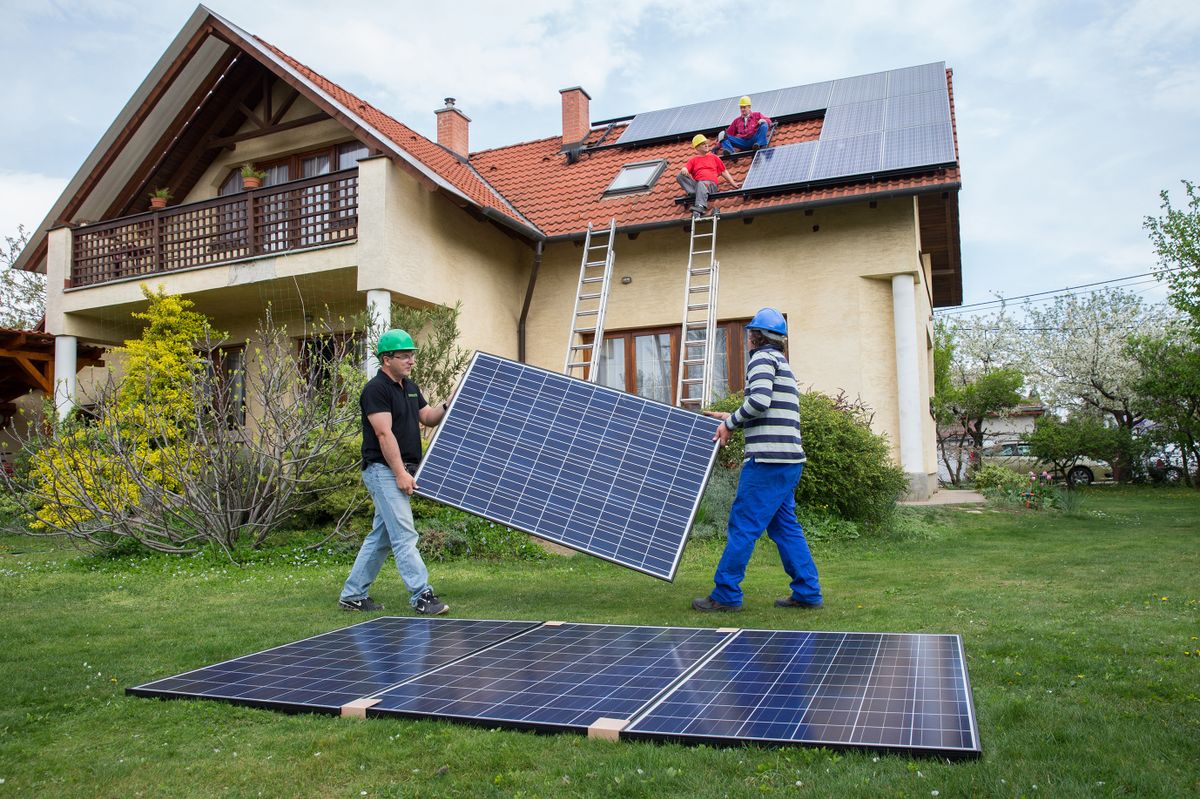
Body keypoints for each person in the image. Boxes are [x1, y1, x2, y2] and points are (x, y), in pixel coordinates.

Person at [692, 308, 823, 612]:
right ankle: (807, 591)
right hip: (789, 460)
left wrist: (729, 424)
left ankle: (725, 595)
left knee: (743, 525)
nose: (748, 339)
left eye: (749, 333)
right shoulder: (782, 363)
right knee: (784, 527)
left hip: (767, 461)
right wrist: (733, 417)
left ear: (755, 337)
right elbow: (767, 407)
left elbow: (760, 401)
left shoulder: (761, 359)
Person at [338, 329, 451, 615]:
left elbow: (427, 417)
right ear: (386, 359)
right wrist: (400, 473)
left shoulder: (409, 386)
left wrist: (447, 403)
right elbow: (383, 433)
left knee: (382, 537)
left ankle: (352, 594)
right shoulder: (376, 390)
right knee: (404, 535)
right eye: (404, 356)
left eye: (412, 355)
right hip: (383, 470)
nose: (411, 360)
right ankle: (421, 595)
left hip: (401, 469)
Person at [676, 133, 740, 215]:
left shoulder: (714, 157)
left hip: (711, 185)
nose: (706, 145)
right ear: (697, 147)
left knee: (701, 183)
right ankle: (694, 193)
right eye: (703, 144)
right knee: (680, 176)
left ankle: (700, 206)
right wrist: (684, 169)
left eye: (706, 143)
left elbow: (724, 171)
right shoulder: (693, 160)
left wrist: (733, 183)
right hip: (699, 185)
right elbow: (686, 168)